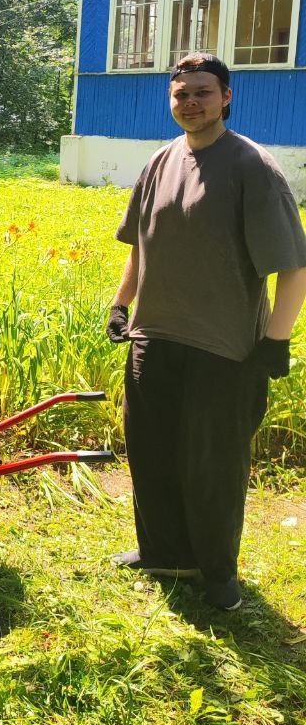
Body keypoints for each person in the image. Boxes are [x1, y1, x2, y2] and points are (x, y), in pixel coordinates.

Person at [107, 52, 306, 611]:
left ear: (226, 97)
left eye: (202, 92)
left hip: (224, 349)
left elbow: (293, 266)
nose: (191, 102)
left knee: (213, 465)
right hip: (153, 337)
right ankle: (164, 553)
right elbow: (140, 245)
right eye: (181, 93)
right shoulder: (160, 161)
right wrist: (122, 305)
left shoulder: (251, 167)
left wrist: (277, 340)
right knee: (151, 452)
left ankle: (218, 573)